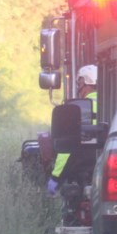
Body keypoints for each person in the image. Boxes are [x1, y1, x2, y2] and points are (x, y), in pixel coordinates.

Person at [47, 64, 98, 194]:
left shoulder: (76, 108)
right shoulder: (113, 103)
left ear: (84, 82)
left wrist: (55, 177)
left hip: (82, 168)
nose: (78, 87)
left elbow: (66, 148)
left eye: (79, 82)